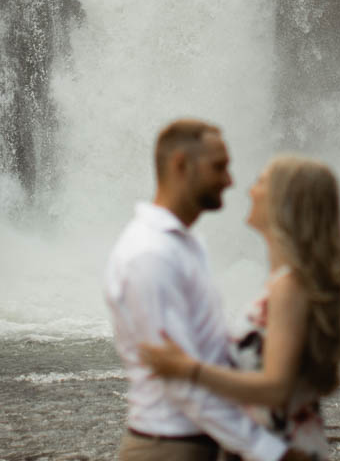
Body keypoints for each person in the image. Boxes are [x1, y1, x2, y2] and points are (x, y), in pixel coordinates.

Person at [104, 119, 304, 461]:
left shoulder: (187, 244)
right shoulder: (151, 254)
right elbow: (180, 382)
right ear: (180, 164)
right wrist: (269, 451)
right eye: (219, 167)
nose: (230, 181)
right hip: (169, 447)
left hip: (199, 442)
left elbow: (200, 359)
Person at [139, 154, 340, 460]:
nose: (249, 190)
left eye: (261, 182)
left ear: (286, 201)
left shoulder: (289, 286)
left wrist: (188, 369)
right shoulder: (287, 281)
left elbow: (276, 388)